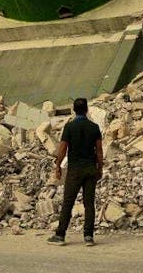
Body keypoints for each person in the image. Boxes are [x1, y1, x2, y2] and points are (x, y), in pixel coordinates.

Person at [47, 97, 103, 247]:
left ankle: (60, 235)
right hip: (90, 168)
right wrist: (100, 168)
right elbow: (99, 150)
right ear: (86, 110)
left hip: (75, 170)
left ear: (73, 110)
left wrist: (58, 166)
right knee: (89, 203)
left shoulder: (69, 127)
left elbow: (63, 149)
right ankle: (89, 236)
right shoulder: (94, 127)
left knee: (68, 202)